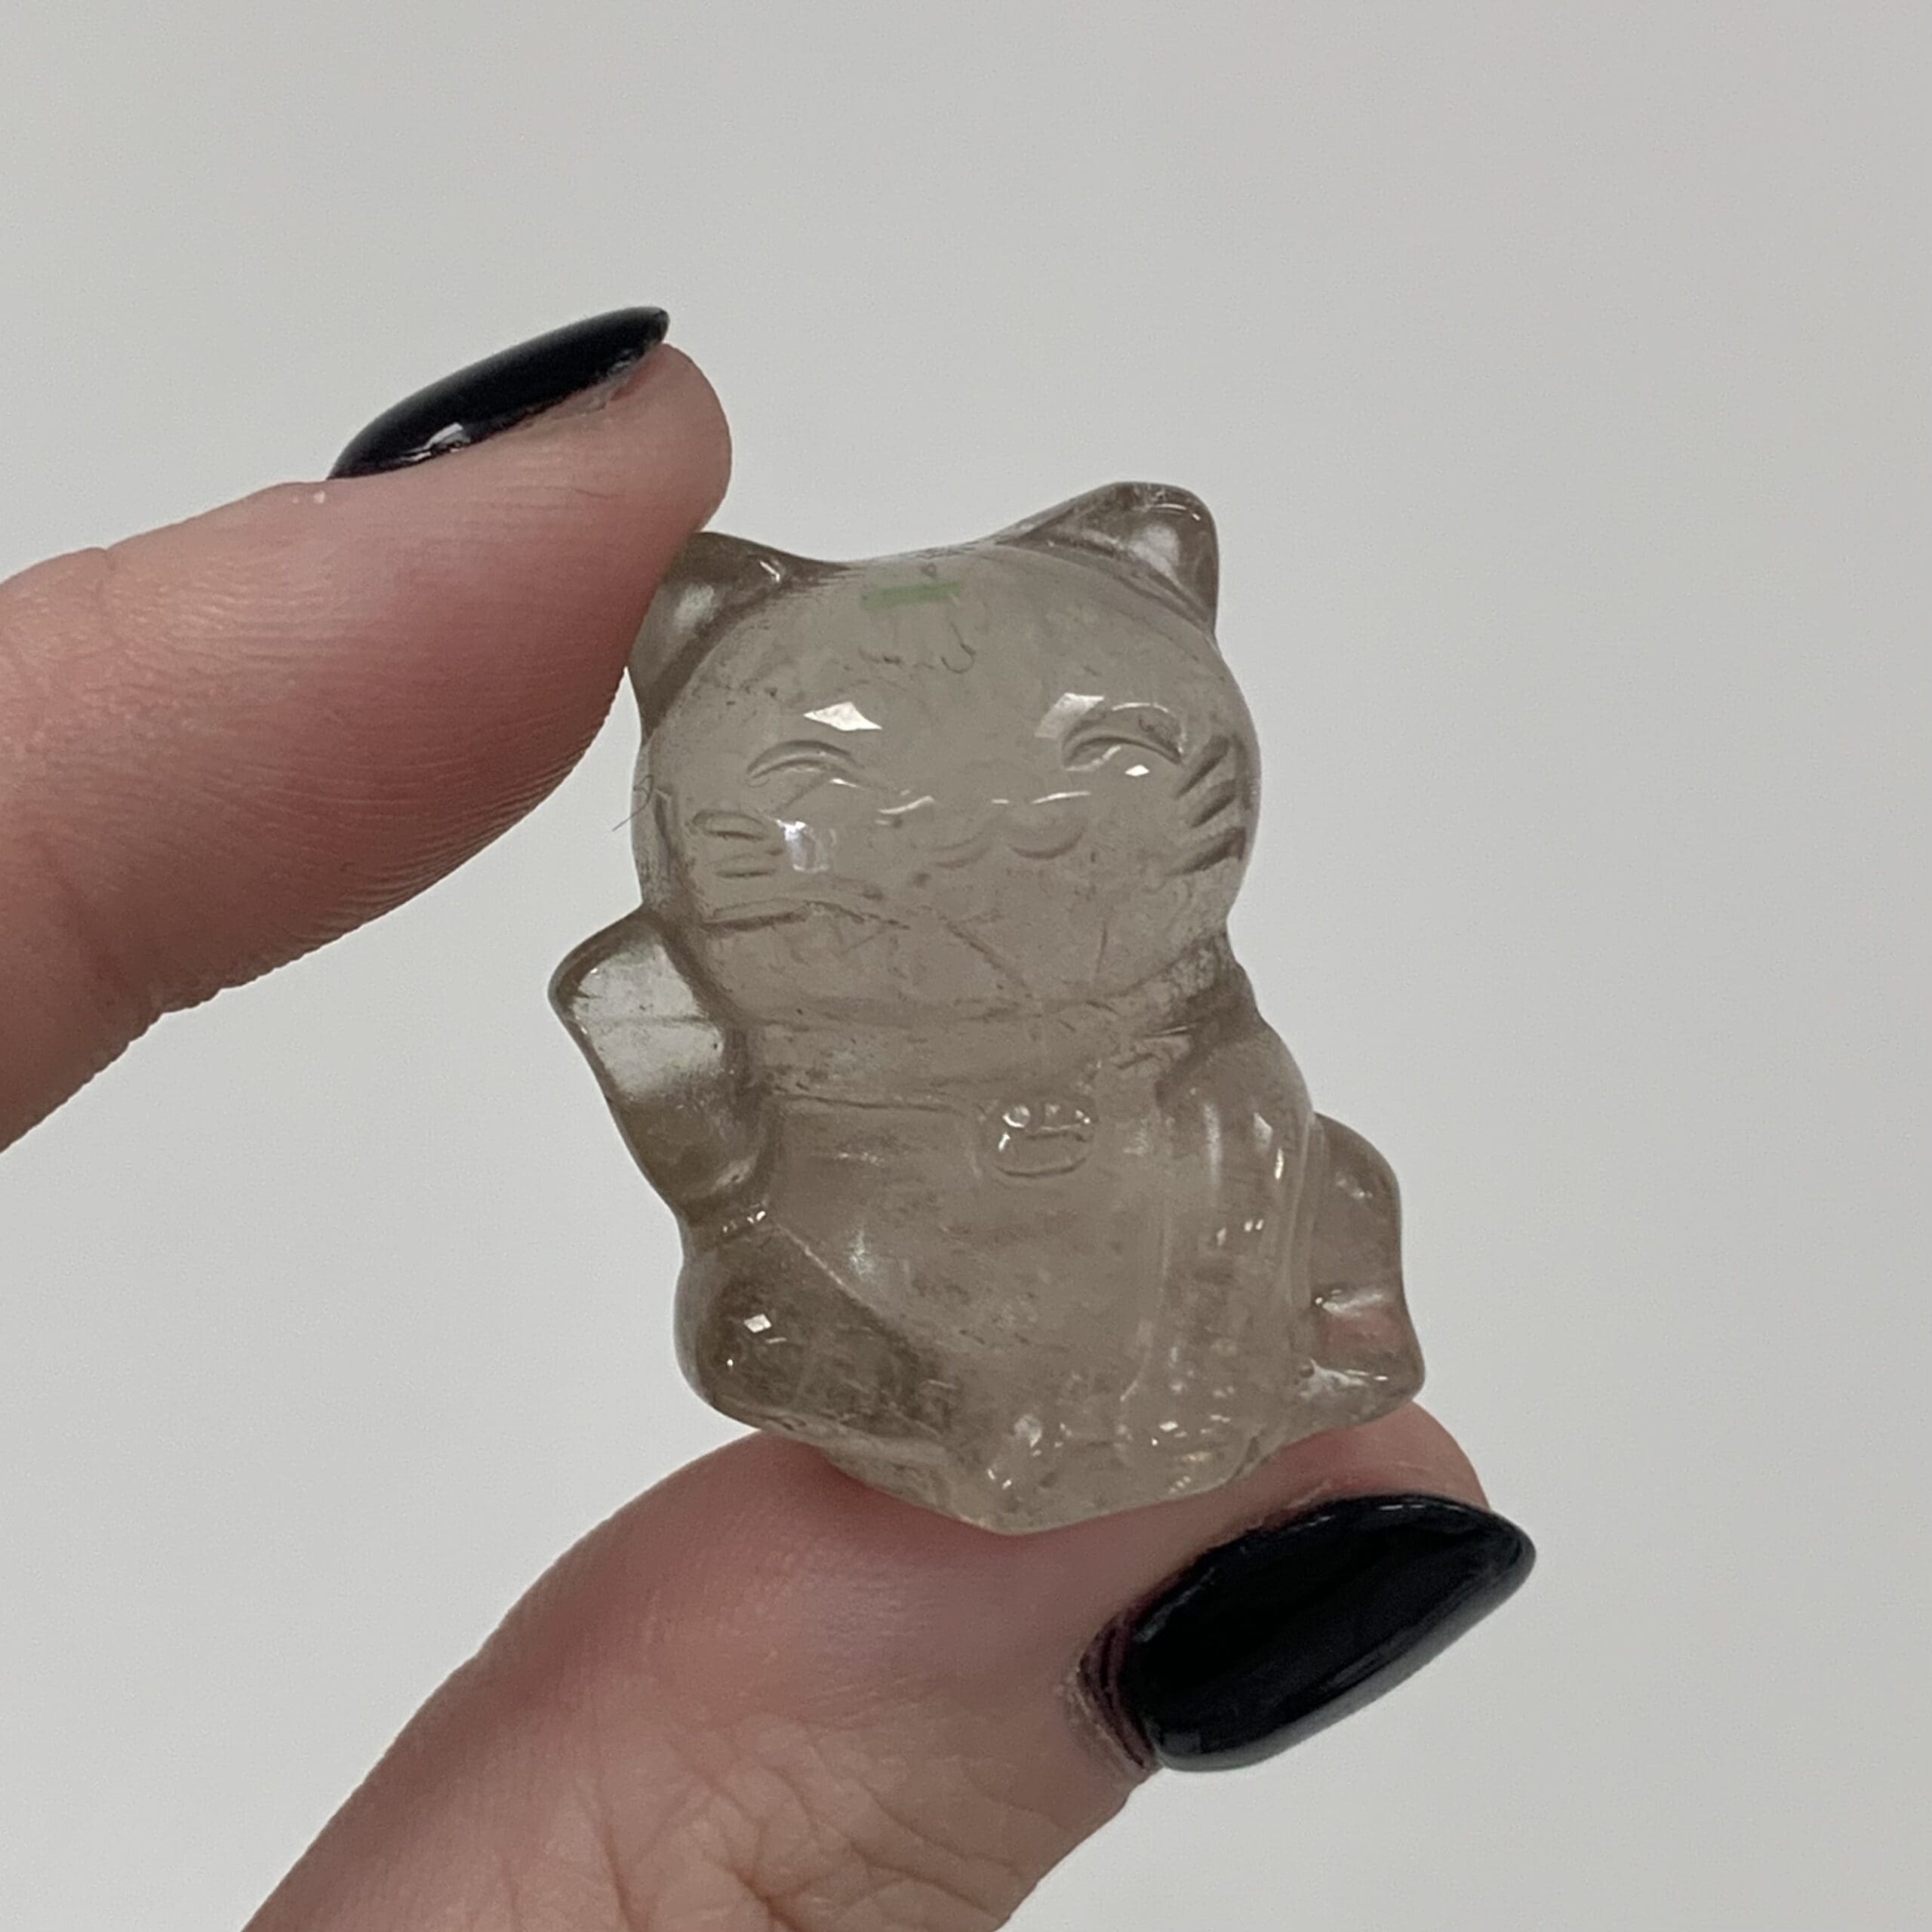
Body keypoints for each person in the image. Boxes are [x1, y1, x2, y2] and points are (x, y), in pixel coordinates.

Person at [0, 310, 1532, 1931]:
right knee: (755, 1319)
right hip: (887, 1275)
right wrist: (699, 1093)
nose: (974, 835)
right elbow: (722, 1181)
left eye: (1101, 753)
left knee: (1323, 1188)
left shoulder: (1187, 1010)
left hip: (1185, 1304)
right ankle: (969, 1411)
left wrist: (1212, 1326)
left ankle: (1267, 1361)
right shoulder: (667, 995)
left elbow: (1249, 1139)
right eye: (831, 791)